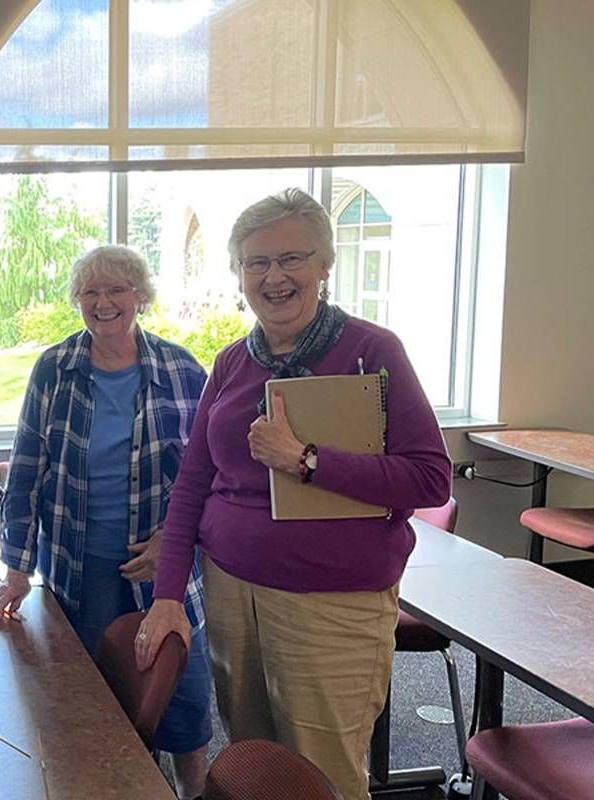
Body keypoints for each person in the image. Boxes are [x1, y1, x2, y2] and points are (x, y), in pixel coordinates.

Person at [136, 188, 450, 800]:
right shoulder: (231, 363)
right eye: (257, 262)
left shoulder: (370, 352)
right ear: (240, 275)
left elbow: (429, 478)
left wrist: (307, 460)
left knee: (320, 774)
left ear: (324, 266)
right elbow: (193, 485)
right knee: (253, 765)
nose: (274, 277)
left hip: (331, 603)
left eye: (291, 259)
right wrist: (169, 594)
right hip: (233, 594)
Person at [0, 245, 214, 800]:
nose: (103, 302)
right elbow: (28, 469)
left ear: (140, 297)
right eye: (91, 292)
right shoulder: (54, 370)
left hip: (168, 574)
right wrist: (17, 570)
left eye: (117, 290)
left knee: (185, 703)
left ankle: (193, 792)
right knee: (95, 710)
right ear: (77, 301)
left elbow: (211, 477)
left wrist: (175, 544)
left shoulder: (182, 370)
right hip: (81, 571)